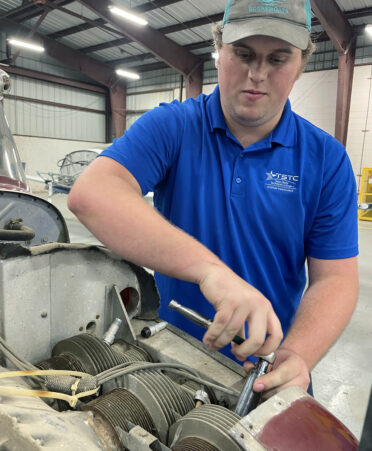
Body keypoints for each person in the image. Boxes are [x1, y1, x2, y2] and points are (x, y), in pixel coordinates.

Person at [68, 0, 359, 398]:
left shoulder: (326, 160)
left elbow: (336, 279)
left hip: (264, 370)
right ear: (219, 50)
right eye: (243, 54)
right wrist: (211, 273)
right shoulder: (173, 127)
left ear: (301, 64)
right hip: (168, 358)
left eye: (278, 59)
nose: (257, 75)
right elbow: (93, 193)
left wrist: (297, 356)